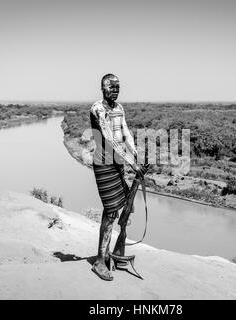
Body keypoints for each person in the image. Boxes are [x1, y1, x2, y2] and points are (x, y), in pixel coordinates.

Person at [90, 73, 144, 281]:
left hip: (118, 162)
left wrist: (135, 151)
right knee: (111, 211)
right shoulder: (97, 109)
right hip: (104, 164)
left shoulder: (119, 108)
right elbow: (109, 138)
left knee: (120, 208)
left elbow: (125, 132)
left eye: (117, 87)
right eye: (111, 87)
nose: (115, 90)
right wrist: (132, 162)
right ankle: (99, 261)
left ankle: (111, 253)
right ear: (102, 88)